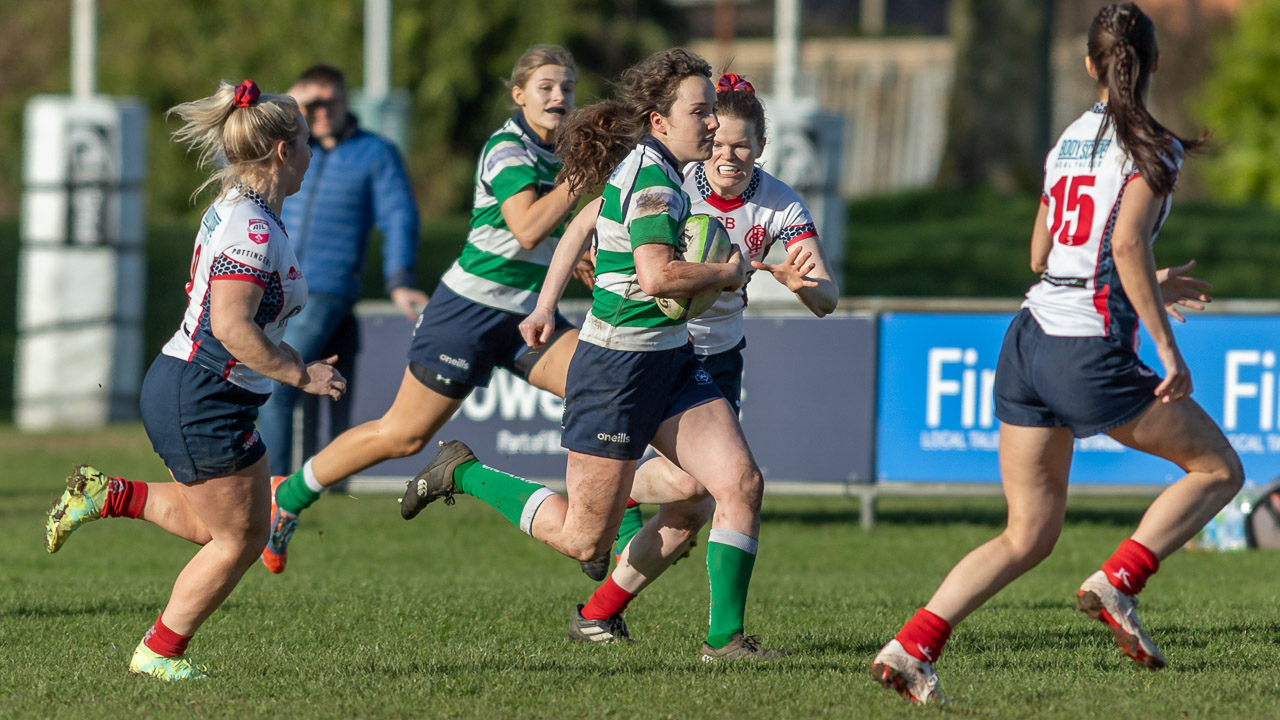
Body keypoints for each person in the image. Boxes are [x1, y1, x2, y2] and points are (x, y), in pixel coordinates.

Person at [871, 3, 1241, 704]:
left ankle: (913, 645)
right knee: (1219, 467)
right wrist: (1167, 348)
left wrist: (1146, 284)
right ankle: (1118, 582)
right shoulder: (1155, 147)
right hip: (1084, 348)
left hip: (1028, 340)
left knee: (1028, 533)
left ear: (1088, 65)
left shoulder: (1068, 138)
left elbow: (1044, 253)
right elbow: (1124, 245)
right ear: (1155, 63)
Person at [403, 48, 783, 662]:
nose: (713, 125)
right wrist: (724, 271)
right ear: (661, 122)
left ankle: (725, 642)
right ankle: (463, 471)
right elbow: (657, 278)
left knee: (737, 484)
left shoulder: (659, 166)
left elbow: (583, 223)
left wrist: (545, 304)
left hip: (672, 361)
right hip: (615, 374)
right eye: (701, 112)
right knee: (584, 540)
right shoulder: (655, 184)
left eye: (713, 111)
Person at [43, 80, 346, 680]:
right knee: (238, 539)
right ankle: (159, 652)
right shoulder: (252, 229)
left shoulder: (251, 212)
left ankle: (105, 494)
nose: (315, 153)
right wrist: (298, 373)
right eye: (308, 142)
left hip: (204, 390)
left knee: (231, 524)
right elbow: (232, 327)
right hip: (201, 394)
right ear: (283, 152)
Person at [261, 45, 583, 573]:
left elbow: (546, 236)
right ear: (519, 93)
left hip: (527, 314)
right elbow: (526, 226)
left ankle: (619, 521)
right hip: (468, 312)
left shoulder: (566, 154)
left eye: (567, 87)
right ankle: (289, 494)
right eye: (546, 86)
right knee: (402, 435)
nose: (558, 96)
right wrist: (583, 179)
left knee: (600, 390)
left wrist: (583, 250)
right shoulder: (508, 148)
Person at [571, 73, 839, 634]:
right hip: (656, 352)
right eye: (719, 142)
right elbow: (594, 220)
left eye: (743, 145)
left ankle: (599, 610)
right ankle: (598, 512)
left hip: (718, 361)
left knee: (694, 503)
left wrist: (799, 282)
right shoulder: (674, 178)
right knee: (709, 490)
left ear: (761, 148)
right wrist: (556, 292)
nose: (728, 155)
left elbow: (828, 296)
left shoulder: (778, 204)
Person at [256, 64, 424, 480]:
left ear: (347, 100)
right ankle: (314, 483)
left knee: (276, 382)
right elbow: (231, 159)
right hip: (272, 284)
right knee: (309, 392)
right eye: (311, 102)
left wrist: (400, 279)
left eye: (330, 100)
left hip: (325, 288)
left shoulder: (375, 152)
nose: (322, 109)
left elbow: (399, 216)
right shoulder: (283, 148)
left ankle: (274, 490)